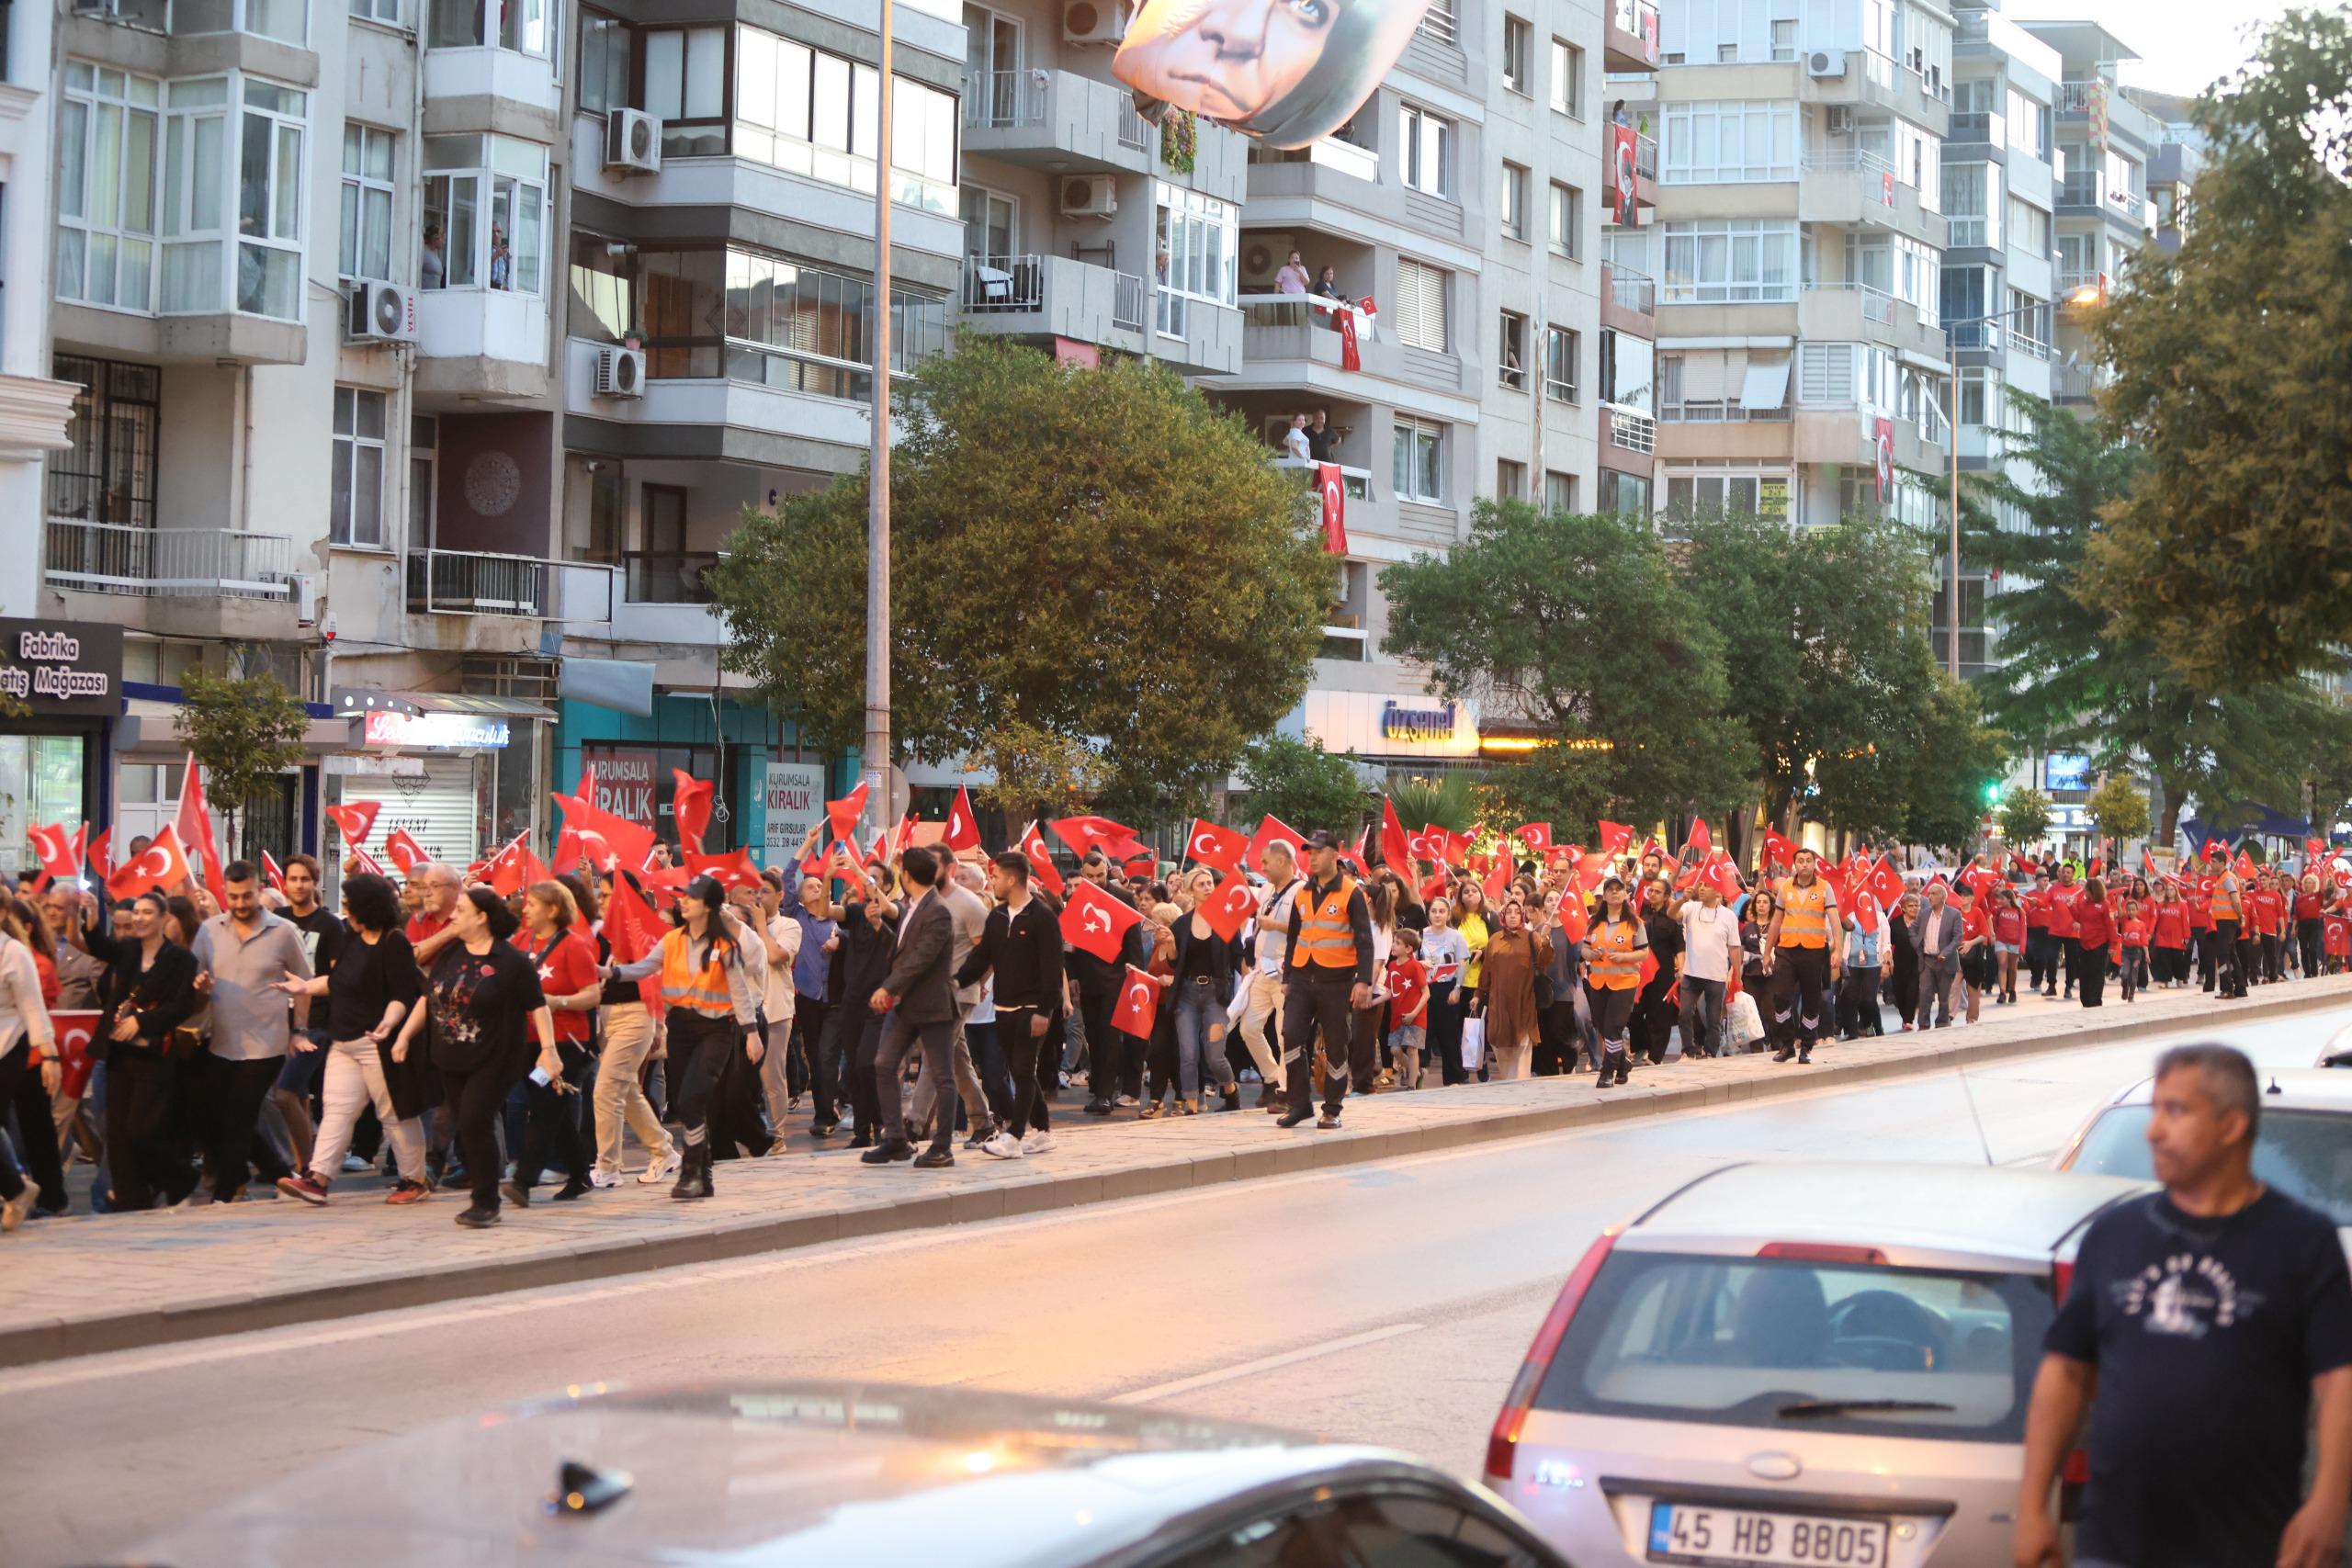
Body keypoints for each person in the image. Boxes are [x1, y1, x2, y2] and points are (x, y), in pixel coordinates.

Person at [2013, 1043, 2352, 1568]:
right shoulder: (2114, 1235)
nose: (2153, 1131)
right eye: (2155, 1110)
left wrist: (2328, 1505)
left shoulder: (2302, 1244)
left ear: (2232, 1126)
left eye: (2175, 1111)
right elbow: (2066, 1372)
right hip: (2114, 1545)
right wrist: (2034, 1506)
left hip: (2253, 1547)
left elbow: (2340, 1385)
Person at [392, 886, 560, 1228]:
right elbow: (428, 997)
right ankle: (484, 1194)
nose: (454, 916)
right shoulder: (451, 954)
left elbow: (538, 1006)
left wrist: (549, 1050)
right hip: (450, 1057)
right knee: (468, 1125)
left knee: (474, 1121)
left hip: (494, 1059)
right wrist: (404, 1035)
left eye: (461, 910)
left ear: (481, 917)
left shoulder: (510, 961)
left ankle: (486, 1202)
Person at [270, 873, 431, 1207]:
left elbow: (403, 994)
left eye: (349, 904)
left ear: (366, 907)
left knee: (393, 1113)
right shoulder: (350, 938)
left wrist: (389, 1023)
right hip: (343, 1041)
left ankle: (414, 1180)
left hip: (376, 1043)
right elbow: (336, 981)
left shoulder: (394, 942)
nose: (345, 909)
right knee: (337, 1110)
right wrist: (304, 986)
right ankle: (317, 1179)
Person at [606, 874, 763, 1196]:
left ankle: (692, 1171)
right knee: (685, 1100)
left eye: (691, 897)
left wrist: (752, 1033)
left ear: (708, 905)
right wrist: (609, 973)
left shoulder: (724, 945)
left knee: (693, 1097)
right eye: (683, 897)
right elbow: (644, 968)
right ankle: (702, 1174)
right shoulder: (672, 940)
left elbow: (740, 992)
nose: (683, 901)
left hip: (716, 1031)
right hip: (680, 1029)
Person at [191, 862, 314, 1202]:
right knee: (217, 1117)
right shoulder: (209, 931)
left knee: (238, 1117)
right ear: (225, 894)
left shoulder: (283, 931)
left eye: (247, 896)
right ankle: (281, 1175)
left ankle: (226, 1195)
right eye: (233, 897)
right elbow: (194, 986)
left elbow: (303, 985)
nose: (240, 903)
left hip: (266, 1043)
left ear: (258, 890)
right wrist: (200, 989)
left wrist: (299, 1029)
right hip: (220, 1041)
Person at [959, 850, 1066, 1156]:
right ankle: (1043, 1131)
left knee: (1022, 1067)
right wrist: (954, 981)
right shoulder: (997, 917)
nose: (992, 881)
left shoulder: (1042, 917)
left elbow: (1052, 967)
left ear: (1011, 879)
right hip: (1002, 1008)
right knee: (1022, 1071)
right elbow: (981, 958)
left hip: (1032, 1009)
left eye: (995, 876)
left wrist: (1045, 1011)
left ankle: (1015, 1135)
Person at [862, 847, 962, 1168]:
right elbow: (903, 951)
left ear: (906, 876)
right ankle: (895, 1140)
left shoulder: (938, 911)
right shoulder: (913, 906)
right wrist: (879, 927)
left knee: (942, 1076)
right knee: (884, 1064)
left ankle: (942, 1147)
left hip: (932, 1006)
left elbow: (921, 959)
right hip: (906, 1005)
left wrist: (887, 987)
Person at [1276, 830, 1374, 1130]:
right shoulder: (1302, 892)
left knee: (1336, 1044)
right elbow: (1294, 937)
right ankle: (1299, 1104)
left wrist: (1363, 981)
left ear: (1335, 854)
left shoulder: (1351, 893)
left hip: (1337, 980)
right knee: (1291, 1035)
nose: (1313, 857)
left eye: (1318, 852)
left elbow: (1365, 941)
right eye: (1310, 852)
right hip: (1302, 977)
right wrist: (1287, 977)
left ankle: (1332, 1108)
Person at [589, 870, 677, 1188]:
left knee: (606, 1090)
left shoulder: (641, 930)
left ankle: (608, 1166)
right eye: (599, 894)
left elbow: (654, 977)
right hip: (611, 1018)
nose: (601, 900)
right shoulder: (607, 930)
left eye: (606, 894)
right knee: (625, 1091)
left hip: (636, 1017)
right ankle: (663, 1151)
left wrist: (657, 1023)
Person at [515, 881, 599, 1201]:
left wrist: (558, 1002)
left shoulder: (574, 946)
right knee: (553, 1108)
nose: (525, 909)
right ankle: (579, 1174)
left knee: (546, 1106)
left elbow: (592, 994)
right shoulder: (521, 941)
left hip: (566, 1043)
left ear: (552, 910)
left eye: (532, 904)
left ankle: (524, 1180)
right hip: (528, 1041)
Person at [269, 853, 342, 1181]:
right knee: (296, 1094)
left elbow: (337, 979)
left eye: (305, 879)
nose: (299, 885)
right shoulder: (277, 919)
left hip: (316, 1022)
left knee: (284, 1094)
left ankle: (310, 1166)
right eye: (293, 879)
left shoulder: (330, 926)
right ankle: (306, 1166)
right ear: (284, 883)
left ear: (315, 883)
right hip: (277, 1018)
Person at [0, 907, 57, 1231]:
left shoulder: (13, 952)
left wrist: (50, 1057)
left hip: (9, 1044)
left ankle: (16, 1190)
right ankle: (16, 1189)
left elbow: (33, 1007)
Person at [1169, 872, 1242, 1114]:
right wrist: (1168, 944)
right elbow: (1173, 962)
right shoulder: (1181, 924)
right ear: (1191, 890)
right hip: (1187, 995)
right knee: (1188, 1053)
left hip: (1216, 995)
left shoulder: (1225, 920)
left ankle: (1230, 1089)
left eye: (1210, 883)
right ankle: (1192, 1105)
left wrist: (1249, 975)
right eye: (1201, 884)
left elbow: (1238, 956)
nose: (1208, 887)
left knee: (1214, 1055)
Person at [1765, 848, 1839, 1062]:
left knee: (1811, 1001)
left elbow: (1834, 919)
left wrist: (1838, 950)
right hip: (1787, 949)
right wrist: (1767, 952)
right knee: (1780, 996)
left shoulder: (1824, 887)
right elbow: (1776, 921)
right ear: (1794, 865)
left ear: (1814, 864)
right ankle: (1787, 1044)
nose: (1804, 864)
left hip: (1814, 951)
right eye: (1800, 860)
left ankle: (1807, 1046)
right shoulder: (1785, 887)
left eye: (1808, 860)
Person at [1476, 900, 1551, 1081]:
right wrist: (1478, 994)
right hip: (1499, 1003)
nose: (1513, 916)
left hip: (1524, 1000)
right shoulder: (1495, 939)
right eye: (1509, 912)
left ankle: (1520, 1084)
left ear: (1522, 916)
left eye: (1517, 912)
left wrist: (1546, 943)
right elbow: (1486, 970)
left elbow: (1544, 962)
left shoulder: (1532, 937)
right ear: (1503, 916)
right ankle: (1509, 1084)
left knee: (1522, 1045)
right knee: (1501, 1045)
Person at [1581, 876, 1645, 1086]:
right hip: (1598, 981)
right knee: (1602, 1025)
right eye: (1610, 889)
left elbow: (1644, 952)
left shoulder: (1635, 923)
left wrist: (1625, 957)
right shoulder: (1594, 923)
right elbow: (1584, 949)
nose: (1615, 892)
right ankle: (1623, 1062)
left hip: (1624, 982)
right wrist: (1591, 954)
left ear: (1625, 894)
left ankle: (1608, 1071)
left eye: (1619, 889)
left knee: (1614, 1026)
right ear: (1604, 895)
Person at [1674, 877, 1738, 1058]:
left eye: (1707, 886)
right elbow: (1672, 914)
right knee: (1685, 1014)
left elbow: (1734, 948)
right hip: (1691, 974)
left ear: (1718, 891)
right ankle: (1688, 1051)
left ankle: (1710, 1052)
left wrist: (1736, 974)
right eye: (1700, 885)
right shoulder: (1690, 907)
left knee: (1713, 1019)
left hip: (1716, 976)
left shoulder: (1729, 916)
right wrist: (1681, 899)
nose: (1701, 889)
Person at [1419, 895, 1471, 1084]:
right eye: (1434, 911)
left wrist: (1457, 989)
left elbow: (1462, 964)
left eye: (1441, 911)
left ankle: (1454, 1078)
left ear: (1448, 914)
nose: (1437, 915)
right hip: (1424, 989)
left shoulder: (1456, 936)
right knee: (1423, 1034)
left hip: (1447, 987)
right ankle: (1417, 1075)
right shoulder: (1421, 935)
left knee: (1449, 1035)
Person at [1386, 925, 1428, 1088]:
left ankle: (1412, 1086)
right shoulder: (1392, 966)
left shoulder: (1415, 966)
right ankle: (1416, 1072)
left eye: (1397, 943)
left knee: (1412, 1049)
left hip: (1415, 1016)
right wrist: (1371, 1001)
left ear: (1408, 948)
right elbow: (1389, 992)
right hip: (1398, 1016)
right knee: (1395, 1050)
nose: (1393, 945)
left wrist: (1414, 1013)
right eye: (1393, 942)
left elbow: (1426, 993)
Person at [1838, 896, 1883, 1040]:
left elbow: (1886, 942)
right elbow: (1845, 936)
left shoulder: (1880, 917)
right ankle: (1852, 1032)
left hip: (1873, 964)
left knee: (1868, 999)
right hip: (1852, 963)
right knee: (1850, 998)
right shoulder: (1850, 917)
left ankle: (1877, 1027)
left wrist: (1887, 962)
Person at [2073, 876, 2114, 1009]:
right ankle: (2085, 1000)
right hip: (2085, 943)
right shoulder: (2083, 904)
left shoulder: (2105, 904)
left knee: (2097, 972)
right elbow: (2078, 917)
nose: (2084, 892)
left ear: (2093, 890)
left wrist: (2113, 945)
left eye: (2086, 889)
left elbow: (2110, 926)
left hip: (2099, 943)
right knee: (2084, 972)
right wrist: (2070, 906)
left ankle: (2095, 999)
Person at [1991, 885, 2025, 1004]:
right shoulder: (1999, 910)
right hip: (2001, 941)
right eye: (1999, 899)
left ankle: (2012, 990)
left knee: (2013, 967)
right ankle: (2002, 993)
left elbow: (2023, 929)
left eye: (2002, 899)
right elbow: (1995, 924)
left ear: (2009, 899)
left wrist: (2022, 945)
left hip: (2015, 943)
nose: (2000, 901)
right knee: (2002, 964)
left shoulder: (2020, 912)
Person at [420, 220, 447, 289]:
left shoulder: (435, 254)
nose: (444, 242)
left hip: (434, 294)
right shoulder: (423, 252)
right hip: (425, 294)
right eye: (443, 239)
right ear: (436, 238)